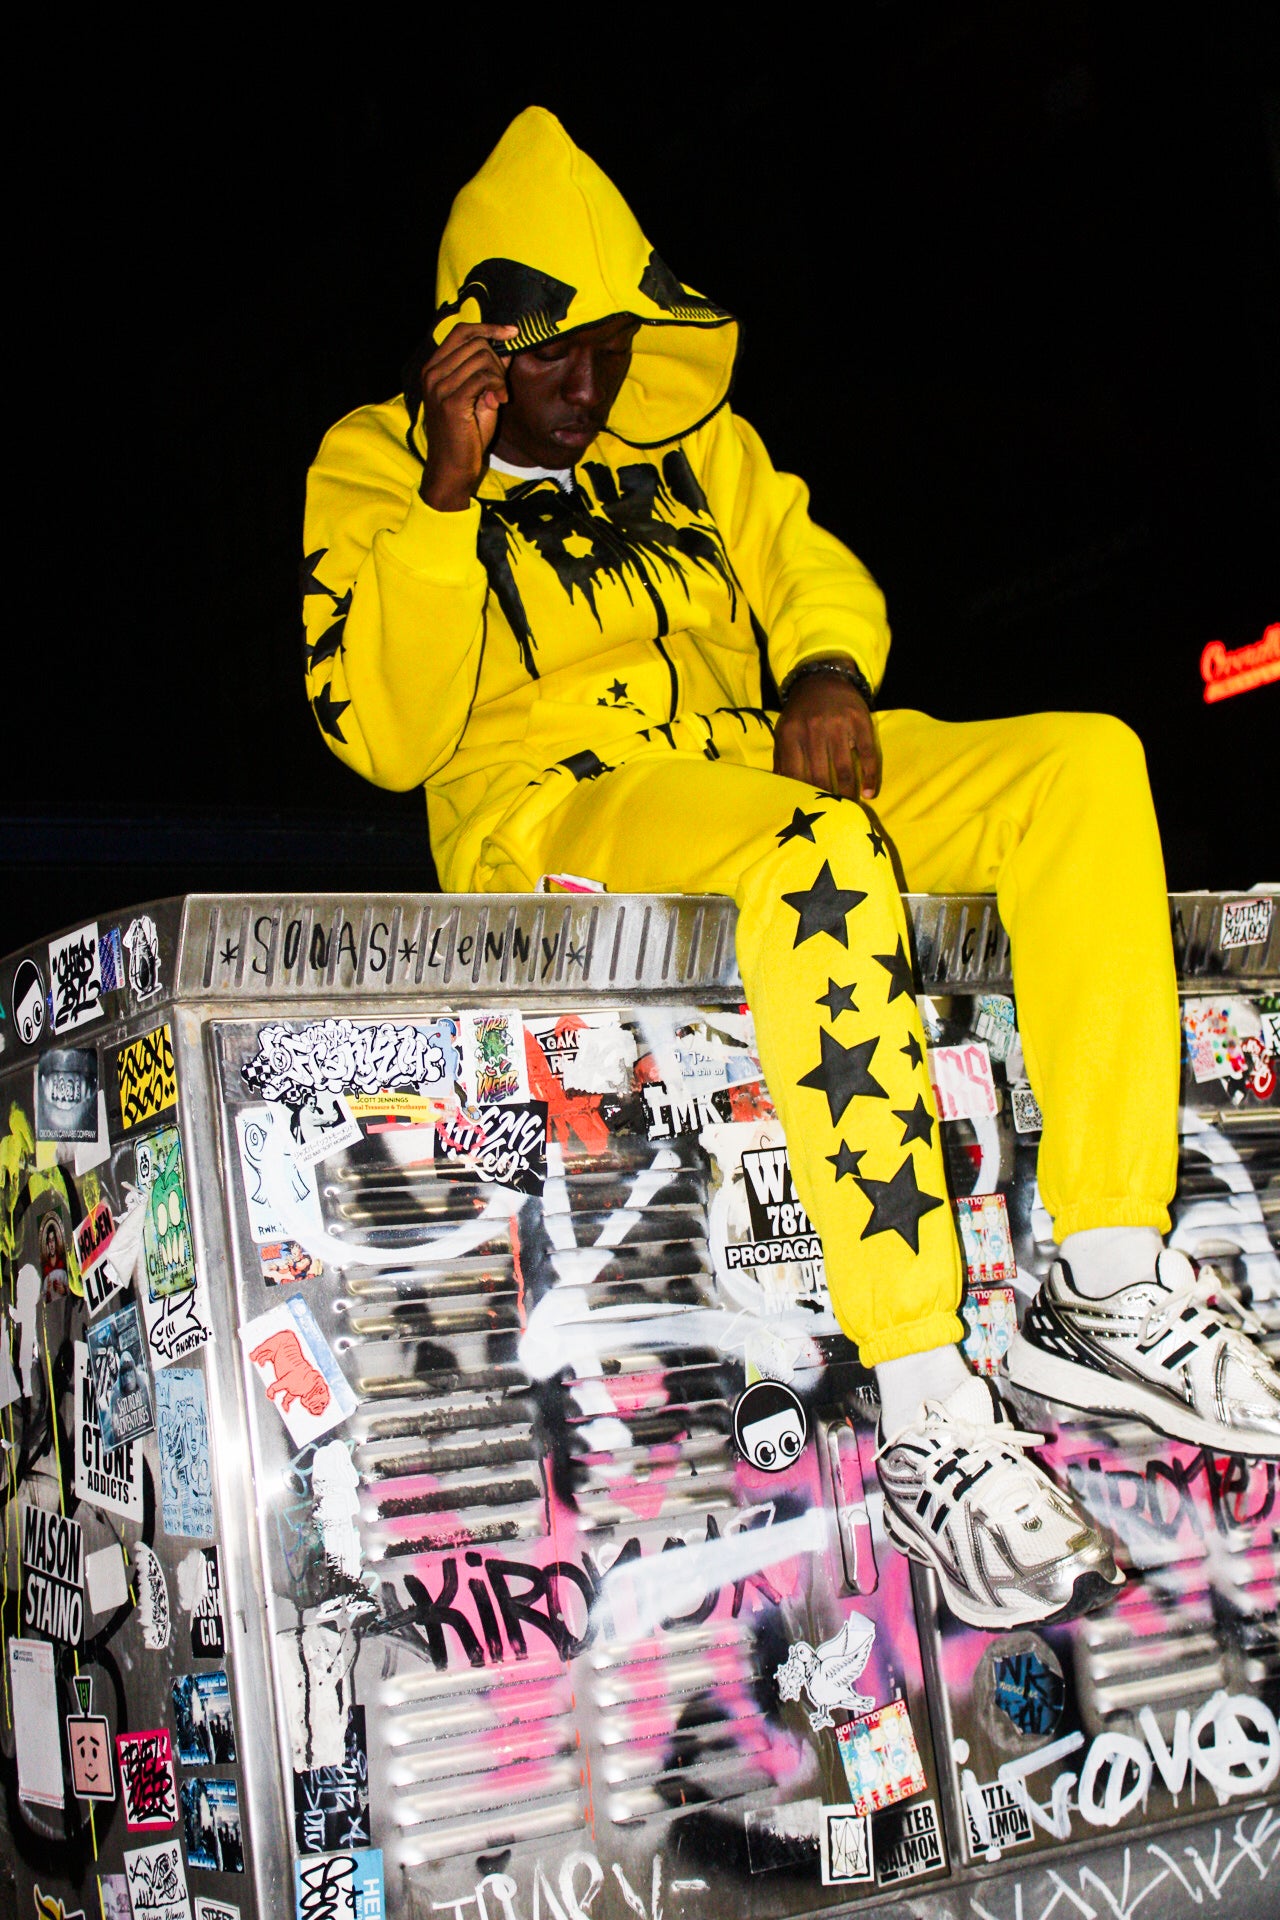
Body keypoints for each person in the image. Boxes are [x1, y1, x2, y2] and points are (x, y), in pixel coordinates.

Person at [302, 107, 1280, 1630]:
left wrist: (824, 666)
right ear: (477, 350)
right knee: (821, 850)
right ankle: (929, 1406)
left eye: (611, 353)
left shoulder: (689, 447)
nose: (591, 391)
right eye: (560, 362)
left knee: (1086, 764)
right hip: (556, 814)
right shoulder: (374, 464)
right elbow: (384, 730)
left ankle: (1106, 1271)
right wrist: (447, 492)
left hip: (740, 769)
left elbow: (804, 556)